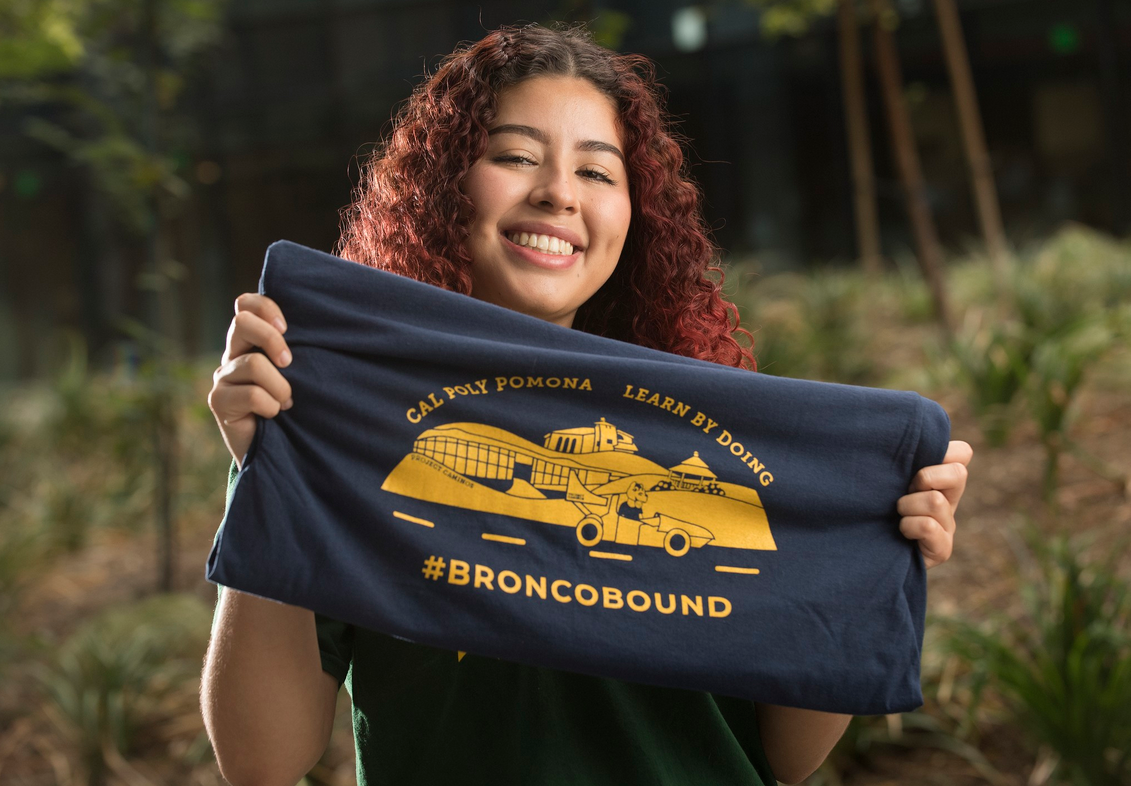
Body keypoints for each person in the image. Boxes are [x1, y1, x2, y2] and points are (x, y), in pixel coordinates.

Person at [201, 24, 972, 786]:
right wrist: (268, 473)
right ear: (443, 185)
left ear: (634, 214)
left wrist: (870, 547)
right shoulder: (347, 425)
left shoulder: (720, 437)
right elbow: (261, 763)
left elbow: (778, 757)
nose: (558, 194)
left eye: (598, 173)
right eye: (514, 157)